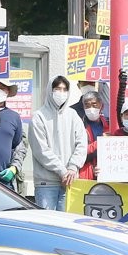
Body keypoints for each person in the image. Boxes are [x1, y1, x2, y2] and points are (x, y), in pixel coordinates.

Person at [28, 76, 87, 211]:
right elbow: (41, 151)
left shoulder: (73, 115)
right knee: (47, 226)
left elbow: (82, 143)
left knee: (67, 227)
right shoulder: (39, 117)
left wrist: (73, 167)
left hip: (70, 182)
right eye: (57, 89)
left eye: (64, 89)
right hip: (46, 183)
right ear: (50, 90)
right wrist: (62, 171)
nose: (61, 93)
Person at [77, 91, 110, 180]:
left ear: (101, 106)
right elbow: (80, 152)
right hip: (86, 175)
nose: (91, 108)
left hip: (107, 174)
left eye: (94, 105)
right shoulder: (79, 126)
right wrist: (101, 142)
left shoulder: (109, 125)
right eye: (87, 106)